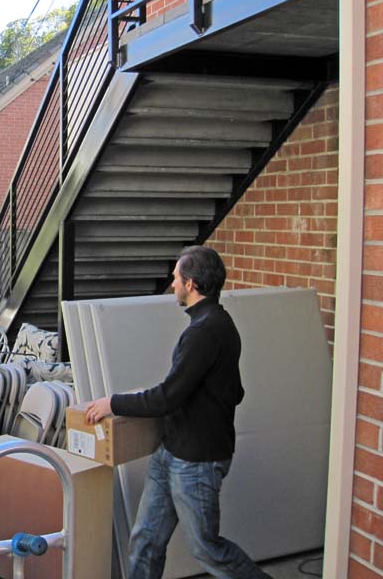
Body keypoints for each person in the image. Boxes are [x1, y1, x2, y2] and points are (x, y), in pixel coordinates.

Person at [84, 246, 271, 579]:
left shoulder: (205, 332)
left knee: (207, 549)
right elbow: (234, 391)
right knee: (146, 539)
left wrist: (112, 403)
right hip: (171, 453)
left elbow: (167, 397)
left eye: (176, 278)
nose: (172, 285)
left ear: (192, 284)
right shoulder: (219, 323)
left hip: (196, 463)